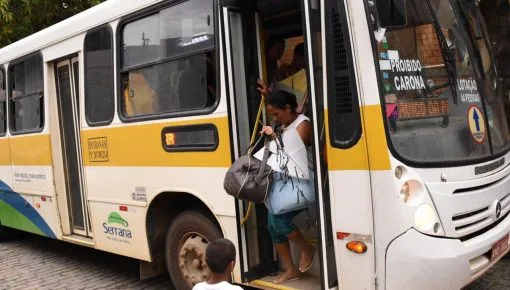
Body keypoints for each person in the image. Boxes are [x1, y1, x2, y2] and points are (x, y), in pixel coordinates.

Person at [260, 90, 315, 284]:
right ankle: (291, 269)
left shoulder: (303, 125)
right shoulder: (286, 124)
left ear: (288, 108)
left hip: (302, 183)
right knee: (272, 226)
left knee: (280, 222)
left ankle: (307, 248)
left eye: (277, 114)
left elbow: (293, 154)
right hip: (284, 184)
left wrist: (274, 137)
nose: (275, 118)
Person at [258, 42, 310, 115]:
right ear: (297, 56)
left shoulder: (308, 75)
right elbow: (279, 94)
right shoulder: (282, 72)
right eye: (279, 50)